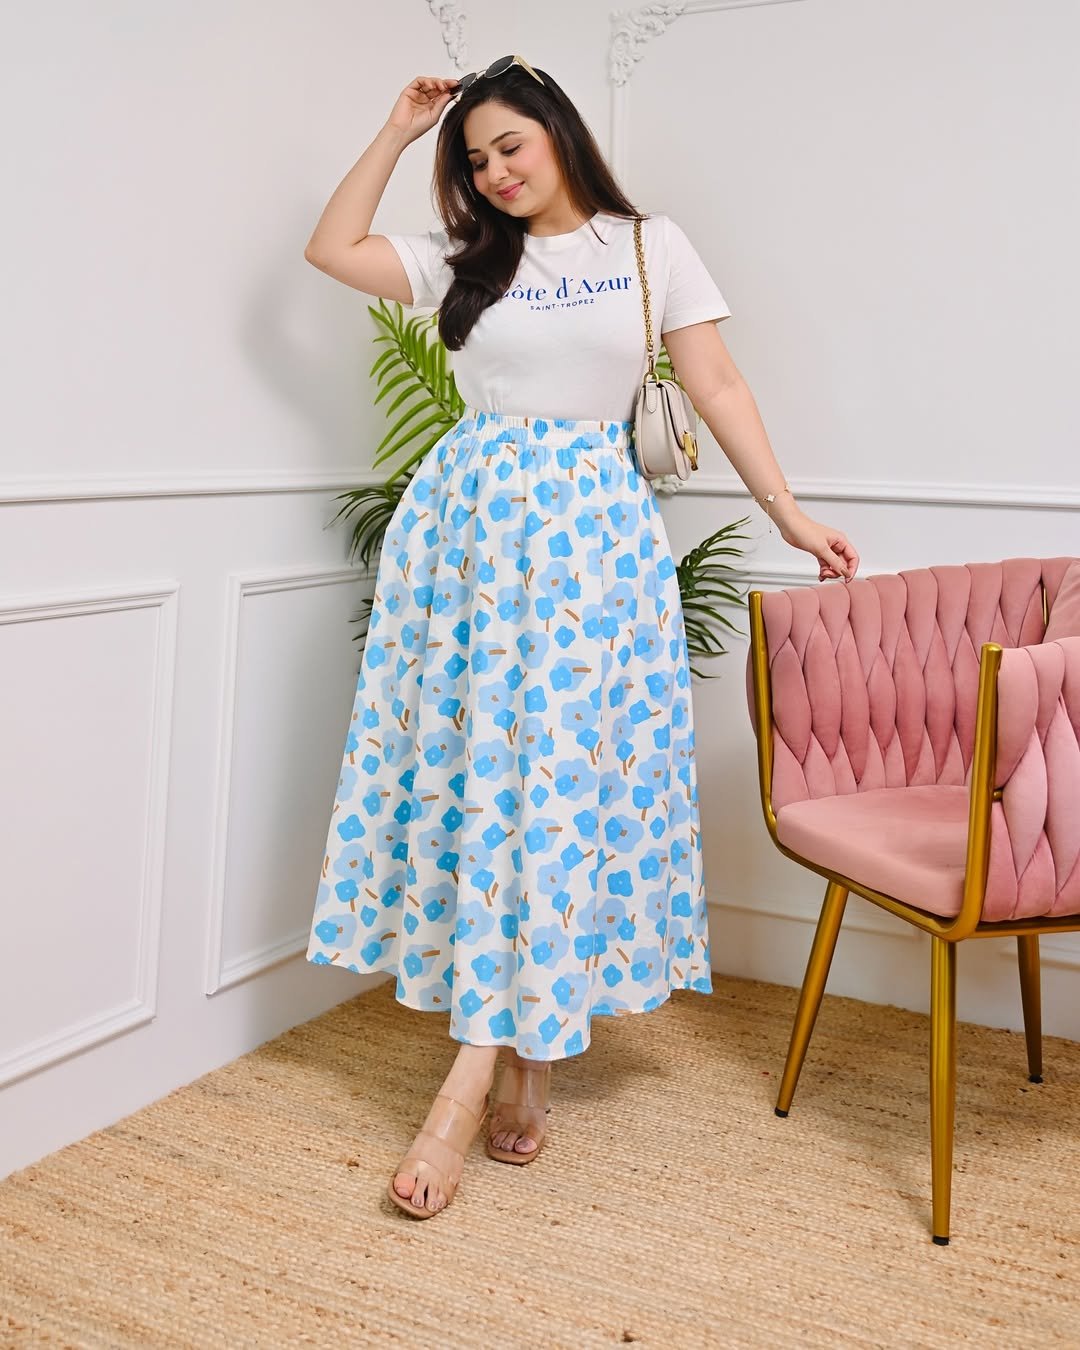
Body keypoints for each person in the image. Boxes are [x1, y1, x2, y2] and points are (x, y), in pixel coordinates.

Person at [303, 56, 859, 1220]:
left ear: (558, 132)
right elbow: (332, 248)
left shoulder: (649, 246)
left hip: (594, 554)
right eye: (475, 161)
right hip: (467, 545)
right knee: (487, 788)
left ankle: (482, 1079)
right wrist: (399, 131)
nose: (495, 173)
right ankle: (522, 1063)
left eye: (509, 145)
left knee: (561, 790)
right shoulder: (466, 257)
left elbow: (718, 384)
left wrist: (789, 515)